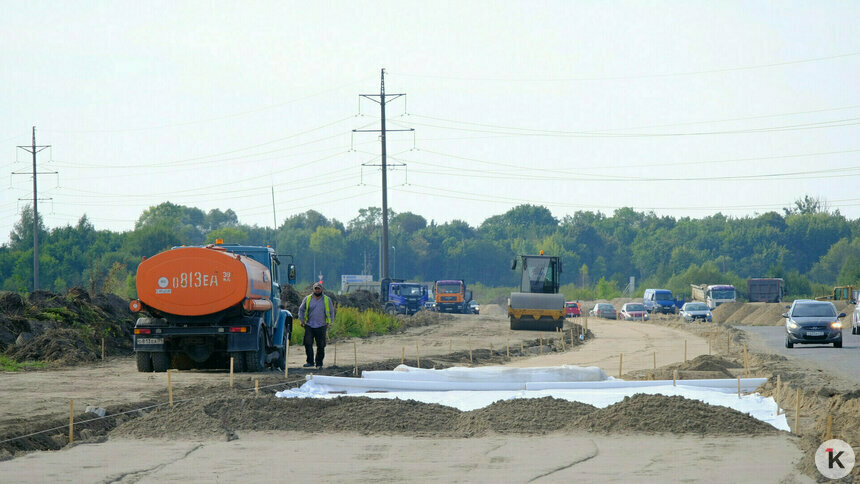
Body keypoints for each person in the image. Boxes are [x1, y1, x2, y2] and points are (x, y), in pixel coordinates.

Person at [297, 282, 335, 368]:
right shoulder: (307, 298)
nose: (317, 290)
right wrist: (302, 320)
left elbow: (331, 311)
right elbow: (301, 310)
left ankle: (319, 363)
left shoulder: (326, 299)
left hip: (322, 325)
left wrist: (330, 322)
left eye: (319, 288)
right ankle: (310, 361)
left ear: (322, 289)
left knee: (321, 345)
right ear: (313, 289)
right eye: (316, 288)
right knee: (308, 343)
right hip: (309, 325)